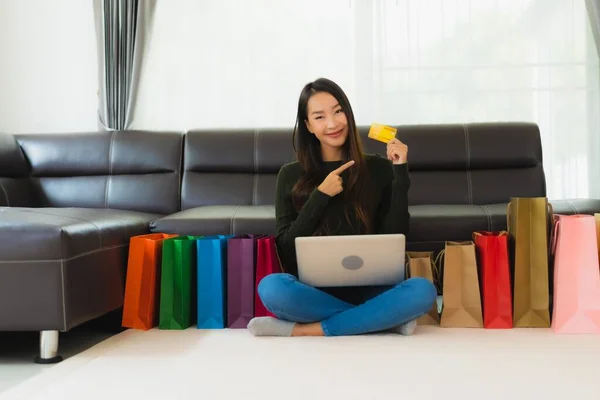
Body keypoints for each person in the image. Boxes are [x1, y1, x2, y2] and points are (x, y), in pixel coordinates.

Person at [247, 78, 437, 337]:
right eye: (320, 116)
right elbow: (286, 250)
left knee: (423, 291)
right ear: (308, 126)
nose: (333, 123)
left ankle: (306, 330)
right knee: (271, 288)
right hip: (314, 291)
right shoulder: (289, 175)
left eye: (338, 111)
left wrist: (400, 174)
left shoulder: (378, 168)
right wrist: (320, 195)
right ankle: (383, 319)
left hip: (373, 286)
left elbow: (397, 234)